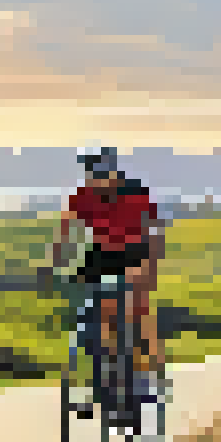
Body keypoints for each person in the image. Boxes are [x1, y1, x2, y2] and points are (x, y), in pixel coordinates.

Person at [51, 146, 169, 423]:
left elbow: (155, 230)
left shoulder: (136, 192)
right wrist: (54, 264)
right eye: (92, 173)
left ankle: (150, 373)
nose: (96, 178)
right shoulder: (83, 196)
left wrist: (148, 269)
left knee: (137, 308)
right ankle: (103, 379)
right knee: (94, 312)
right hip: (102, 254)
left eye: (102, 172)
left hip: (136, 251)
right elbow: (65, 231)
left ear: (114, 171)